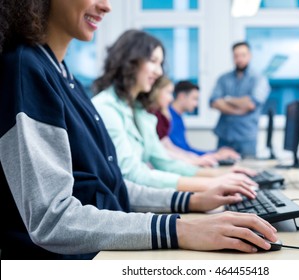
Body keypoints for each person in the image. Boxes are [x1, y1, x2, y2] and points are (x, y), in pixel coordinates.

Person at [0, 0, 278, 260]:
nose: (106, 6)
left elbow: (114, 188)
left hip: (103, 250)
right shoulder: (27, 70)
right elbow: (51, 219)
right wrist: (182, 229)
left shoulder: (64, 77)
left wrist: (192, 201)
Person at [92, 30, 257, 192]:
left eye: (160, 64)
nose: (159, 72)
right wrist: (211, 183)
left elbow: (163, 161)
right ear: (129, 61)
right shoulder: (106, 108)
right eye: (153, 61)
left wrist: (219, 175)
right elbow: (132, 175)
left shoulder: (139, 111)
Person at [209, 41, 271, 158]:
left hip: (246, 138)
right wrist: (238, 109)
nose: (239, 59)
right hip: (224, 136)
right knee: (221, 171)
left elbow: (250, 104)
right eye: (236, 56)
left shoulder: (259, 79)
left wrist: (226, 99)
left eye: (243, 55)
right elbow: (214, 102)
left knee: (248, 170)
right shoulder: (223, 78)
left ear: (250, 56)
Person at [147, 76, 218, 167]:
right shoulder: (161, 116)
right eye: (194, 99)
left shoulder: (174, 117)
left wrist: (196, 158)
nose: (171, 98)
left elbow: (169, 145)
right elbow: (165, 149)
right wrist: (210, 156)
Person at [169, 80, 241, 161]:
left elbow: (186, 149)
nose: (196, 104)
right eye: (194, 99)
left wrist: (215, 153)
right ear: (181, 96)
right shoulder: (169, 118)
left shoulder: (178, 118)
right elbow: (182, 150)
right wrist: (216, 154)